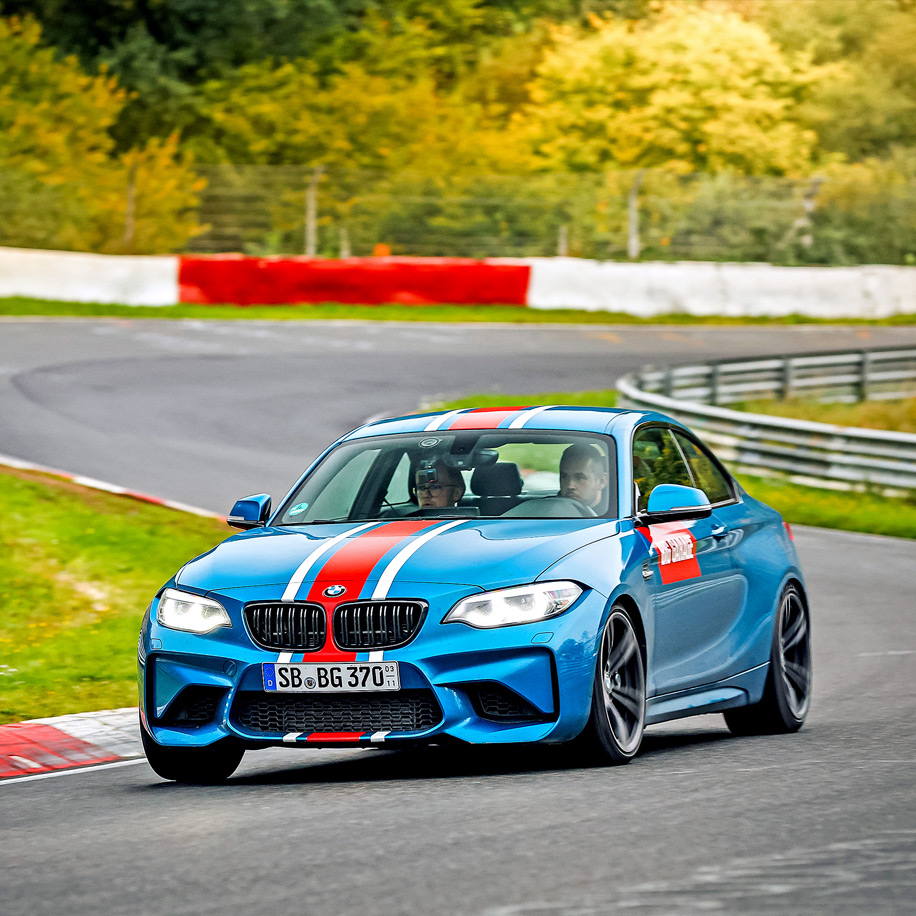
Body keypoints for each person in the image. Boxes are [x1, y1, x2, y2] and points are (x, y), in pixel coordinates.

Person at [558, 443, 608, 511]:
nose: (570, 486)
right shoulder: (549, 509)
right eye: (564, 476)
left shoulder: (616, 512)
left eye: (579, 477)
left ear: (602, 481)